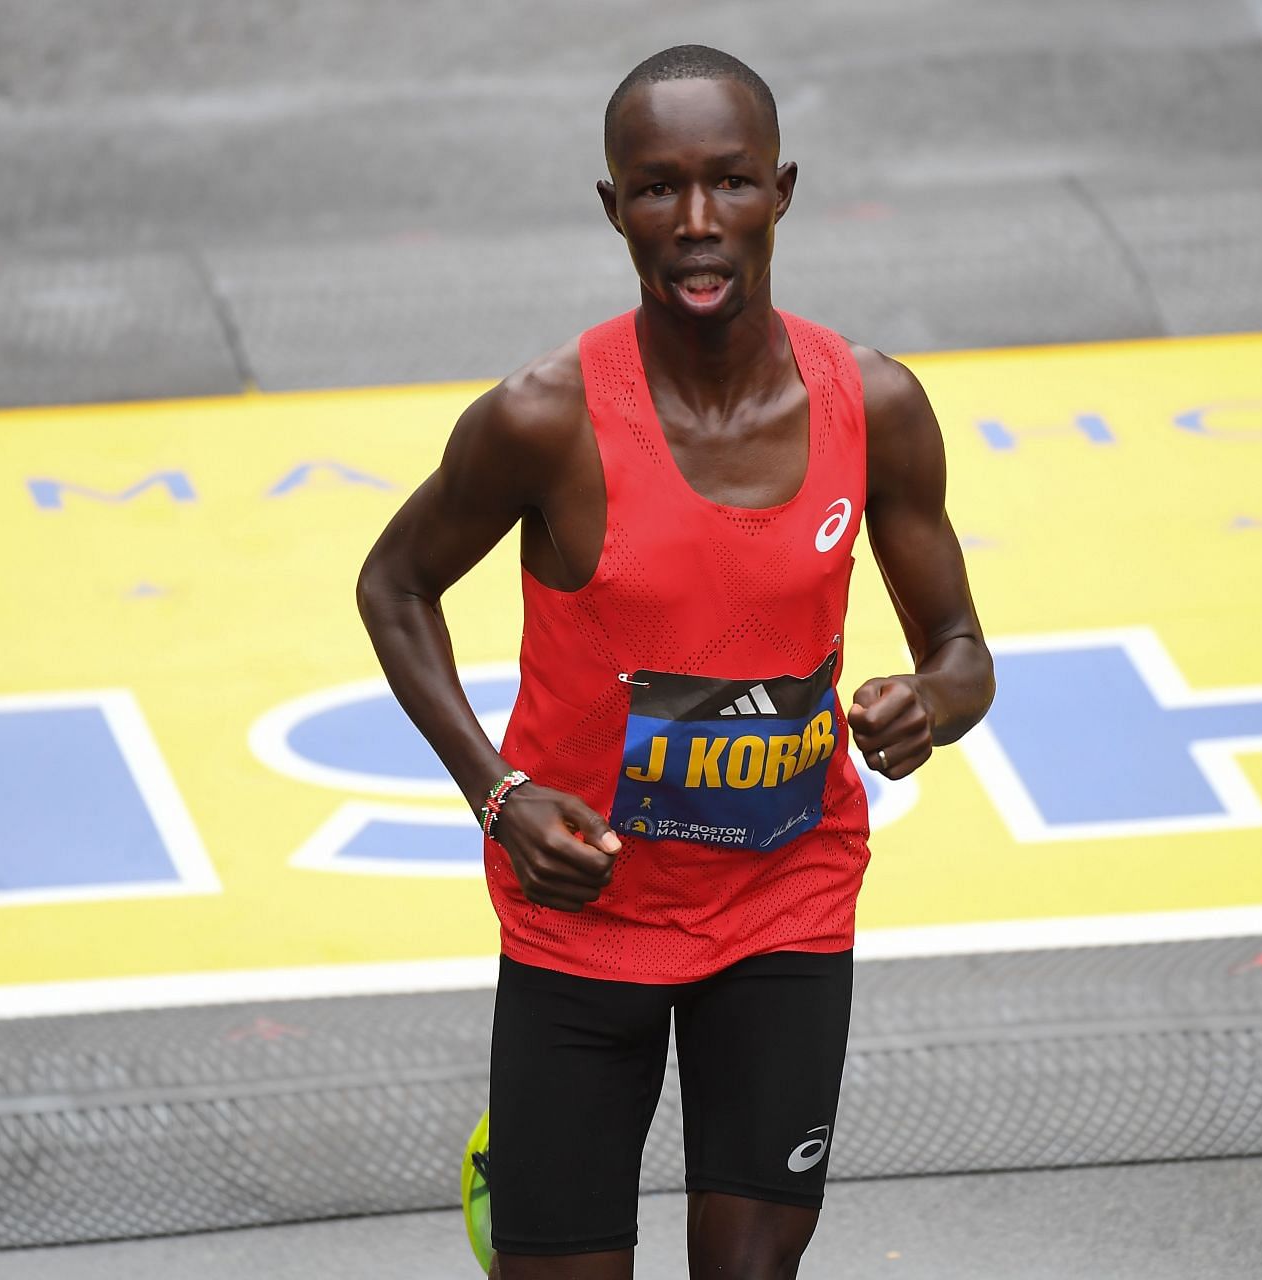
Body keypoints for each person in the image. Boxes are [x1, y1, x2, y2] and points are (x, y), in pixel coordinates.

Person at [358, 43, 993, 1280]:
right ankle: (527, 1160)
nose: (697, 223)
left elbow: (962, 650)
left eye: (731, 183)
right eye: (658, 190)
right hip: (585, 911)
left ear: (784, 190)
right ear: (613, 208)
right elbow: (394, 585)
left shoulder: (874, 405)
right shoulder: (542, 418)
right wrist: (499, 794)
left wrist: (933, 703)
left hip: (784, 891)